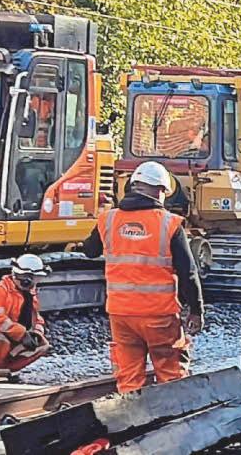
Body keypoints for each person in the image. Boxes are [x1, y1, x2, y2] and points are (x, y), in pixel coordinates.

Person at [83, 161, 204, 393]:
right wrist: (196, 310)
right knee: (171, 376)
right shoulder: (169, 223)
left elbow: (89, 250)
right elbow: (188, 272)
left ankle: (130, 424)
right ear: (161, 190)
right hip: (159, 315)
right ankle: (174, 423)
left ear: (133, 186)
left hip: (121, 314)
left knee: (129, 379)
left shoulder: (108, 219)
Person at [0, 254, 51, 372]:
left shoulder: (29, 294)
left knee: (43, 344)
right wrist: (21, 334)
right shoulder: (1, 290)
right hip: (7, 335)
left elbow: (36, 317)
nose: (33, 282)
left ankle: (6, 371)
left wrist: (36, 333)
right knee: (0, 339)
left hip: (15, 336)